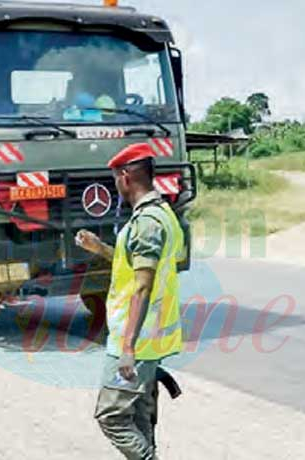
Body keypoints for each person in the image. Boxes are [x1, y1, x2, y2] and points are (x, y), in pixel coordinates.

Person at [76, 143, 185, 459]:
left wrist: (127, 348)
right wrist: (101, 249)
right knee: (139, 419)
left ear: (125, 177)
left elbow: (142, 287)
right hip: (153, 335)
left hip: (136, 338)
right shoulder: (164, 215)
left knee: (111, 415)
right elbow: (141, 266)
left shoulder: (145, 223)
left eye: (115, 179)